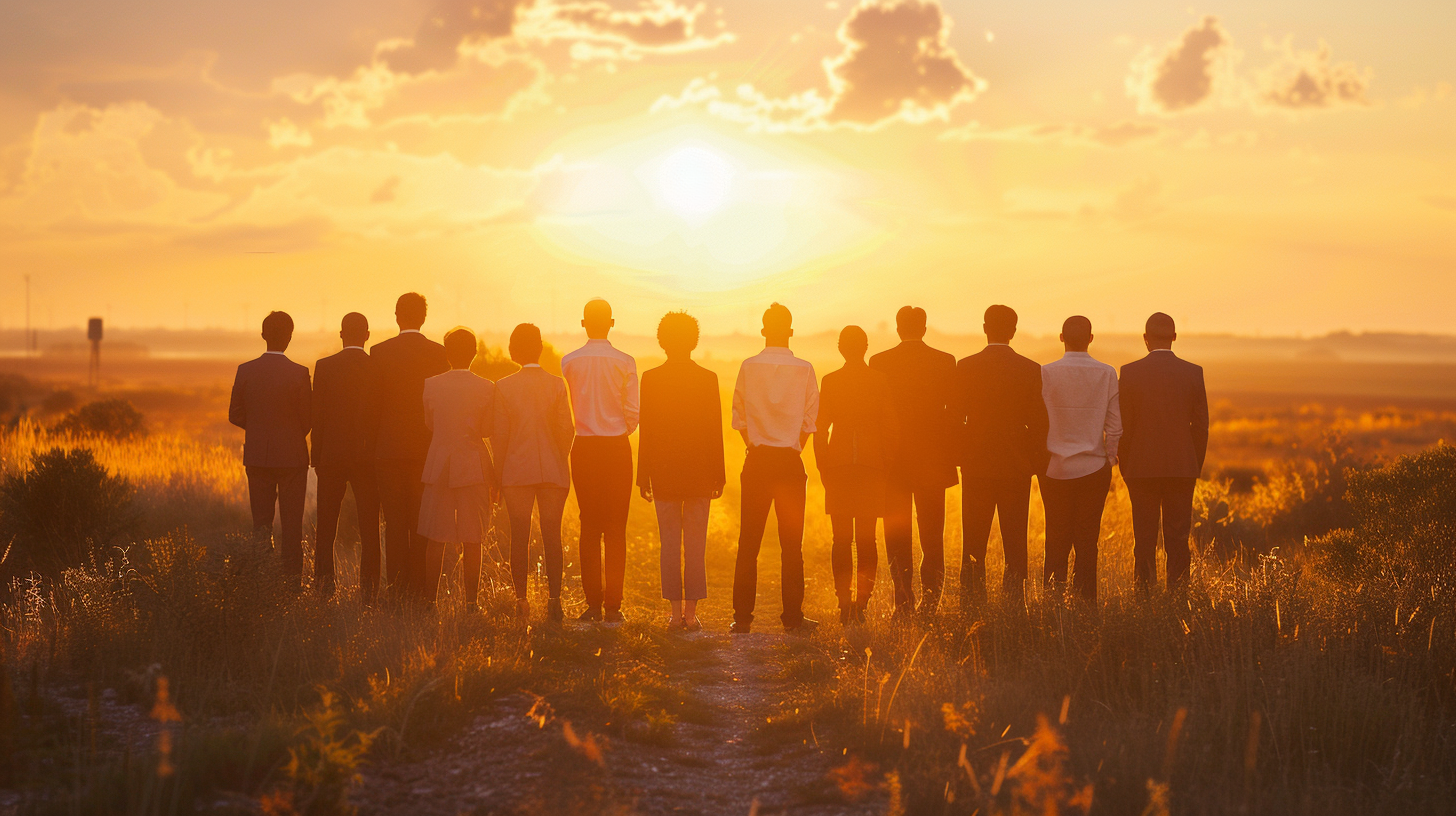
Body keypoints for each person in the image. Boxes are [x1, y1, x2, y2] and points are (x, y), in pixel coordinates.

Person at [730, 303, 820, 635]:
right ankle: (793, 618)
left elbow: (738, 417)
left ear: (764, 330)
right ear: (791, 331)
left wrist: (754, 443)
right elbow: (810, 422)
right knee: (791, 544)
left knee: (748, 542)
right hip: (789, 462)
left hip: (757, 460)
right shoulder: (805, 369)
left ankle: (742, 619)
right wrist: (792, 447)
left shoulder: (748, 367)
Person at [952, 305, 1049, 609]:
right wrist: (1033, 463)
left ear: (985, 328)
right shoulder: (1031, 369)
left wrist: (962, 457)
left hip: (976, 466)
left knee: (973, 542)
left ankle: (971, 605)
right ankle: (1014, 605)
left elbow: (954, 419)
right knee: (1015, 540)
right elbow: (1039, 423)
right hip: (1016, 467)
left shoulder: (966, 366)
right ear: (1014, 331)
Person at [638, 311, 725, 632]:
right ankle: (691, 613)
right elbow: (715, 431)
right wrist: (721, 474)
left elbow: (645, 431)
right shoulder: (708, 378)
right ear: (694, 340)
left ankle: (675, 614)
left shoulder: (651, 378)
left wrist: (642, 475)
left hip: (663, 473)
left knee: (670, 542)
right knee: (696, 544)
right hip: (701, 473)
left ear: (662, 340)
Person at [869, 306, 958, 618]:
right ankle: (931, 605)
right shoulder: (945, 361)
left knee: (897, 536)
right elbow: (953, 414)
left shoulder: (878, 362)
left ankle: (903, 603)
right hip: (933, 461)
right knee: (932, 537)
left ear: (897, 328)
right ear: (924, 327)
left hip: (893, 462)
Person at [561, 299, 639, 624]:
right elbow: (633, 412)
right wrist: (619, 430)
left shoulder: (569, 361)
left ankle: (592, 605)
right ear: (612, 323)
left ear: (582, 323)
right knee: (616, 527)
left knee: (589, 526)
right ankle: (613, 607)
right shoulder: (625, 361)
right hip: (617, 447)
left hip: (584, 448)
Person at [1119, 312, 1209, 592]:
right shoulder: (1193, 372)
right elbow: (1201, 427)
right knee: (1178, 538)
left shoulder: (1130, 372)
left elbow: (1124, 426)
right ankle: (1179, 597)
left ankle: (1144, 598)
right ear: (1174, 337)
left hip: (1141, 469)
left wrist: (1126, 465)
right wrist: (1193, 464)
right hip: (1182, 468)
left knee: (1144, 539)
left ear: (1145, 339)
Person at [815, 326, 898, 625]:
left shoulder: (831, 380)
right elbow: (890, 426)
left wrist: (822, 464)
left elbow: (820, 428)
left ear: (840, 348)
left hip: (838, 466)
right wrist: (885, 464)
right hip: (871, 466)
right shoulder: (879, 380)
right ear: (865, 347)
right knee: (866, 539)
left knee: (840, 539)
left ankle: (843, 602)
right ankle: (861, 604)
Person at [493, 323, 575, 622]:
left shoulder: (502, 386)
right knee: (552, 535)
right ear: (540, 348)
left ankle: (521, 601)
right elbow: (568, 429)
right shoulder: (556, 384)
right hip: (553, 471)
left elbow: (499, 438)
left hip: (515, 473)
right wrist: (556, 457)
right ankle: (555, 602)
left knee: (519, 537)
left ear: (514, 350)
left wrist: (498, 477)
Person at [371, 293, 449, 601]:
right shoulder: (439, 353)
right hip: (425, 451)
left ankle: (396, 592)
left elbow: (371, 406)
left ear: (396, 316)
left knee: (394, 524)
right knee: (421, 523)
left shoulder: (379, 353)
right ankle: (419, 592)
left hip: (387, 450)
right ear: (424, 318)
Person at [1040, 316, 1121, 603]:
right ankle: (1086, 606)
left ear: (1061, 337)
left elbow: (1038, 423)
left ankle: (1052, 606)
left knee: (1056, 539)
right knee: (1088, 543)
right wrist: (1108, 460)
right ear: (1090, 338)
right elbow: (1115, 427)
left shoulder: (1045, 373)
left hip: (1054, 469)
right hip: (1093, 467)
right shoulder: (1107, 373)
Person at [228, 311, 311, 588]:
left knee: (261, 526)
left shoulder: (245, 370)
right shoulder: (299, 373)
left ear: (263, 335)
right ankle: (291, 586)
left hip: (257, 457)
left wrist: (259, 430)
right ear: (290, 336)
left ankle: (261, 585)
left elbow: (235, 414)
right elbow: (307, 420)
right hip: (292, 458)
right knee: (292, 527)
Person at [418, 328, 497, 611]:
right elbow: (488, 429)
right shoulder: (487, 387)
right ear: (474, 353)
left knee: (435, 537)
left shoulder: (431, 384)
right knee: (472, 537)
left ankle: (429, 602)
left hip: (438, 463)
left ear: (446, 353)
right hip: (473, 466)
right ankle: (471, 604)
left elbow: (430, 424)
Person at [311, 312, 381, 599]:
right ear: (367, 335)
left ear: (341, 335)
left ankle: (324, 589)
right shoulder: (377, 367)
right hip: (368, 457)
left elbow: (318, 416)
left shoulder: (325, 367)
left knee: (326, 527)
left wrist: (317, 457)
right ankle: (370, 592)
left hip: (331, 456)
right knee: (369, 527)